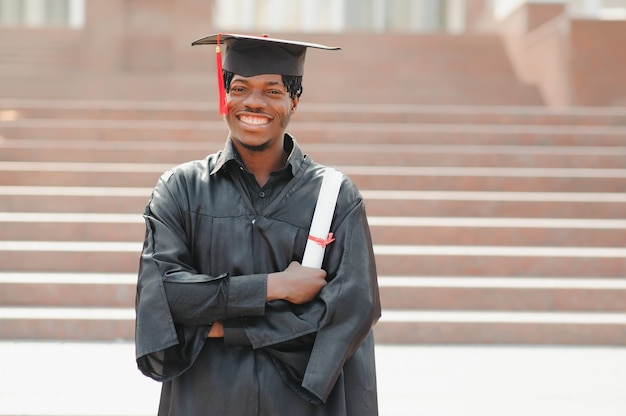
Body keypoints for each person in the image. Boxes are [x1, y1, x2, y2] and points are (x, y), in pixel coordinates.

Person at [134, 32, 381, 415]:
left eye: (272, 90)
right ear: (225, 96)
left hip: (298, 403)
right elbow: (164, 296)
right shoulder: (180, 190)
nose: (253, 102)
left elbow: (347, 313)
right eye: (240, 88)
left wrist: (223, 328)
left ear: (294, 101)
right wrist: (275, 286)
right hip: (206, 399)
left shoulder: (335, 197)